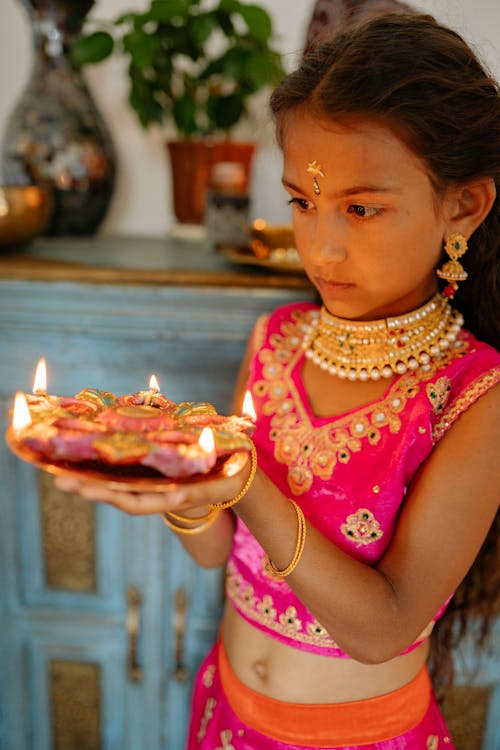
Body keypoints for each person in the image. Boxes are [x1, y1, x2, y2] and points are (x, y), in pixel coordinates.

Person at [57, 13, 500, 750]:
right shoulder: (278, 339)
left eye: (361, 208)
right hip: (224, 714)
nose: (321, 246)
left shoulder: (475, 395)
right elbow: (215, 551)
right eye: (302, 201)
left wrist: (244, 480)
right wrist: (180, 480)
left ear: (463, 206)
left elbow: (382, 629)